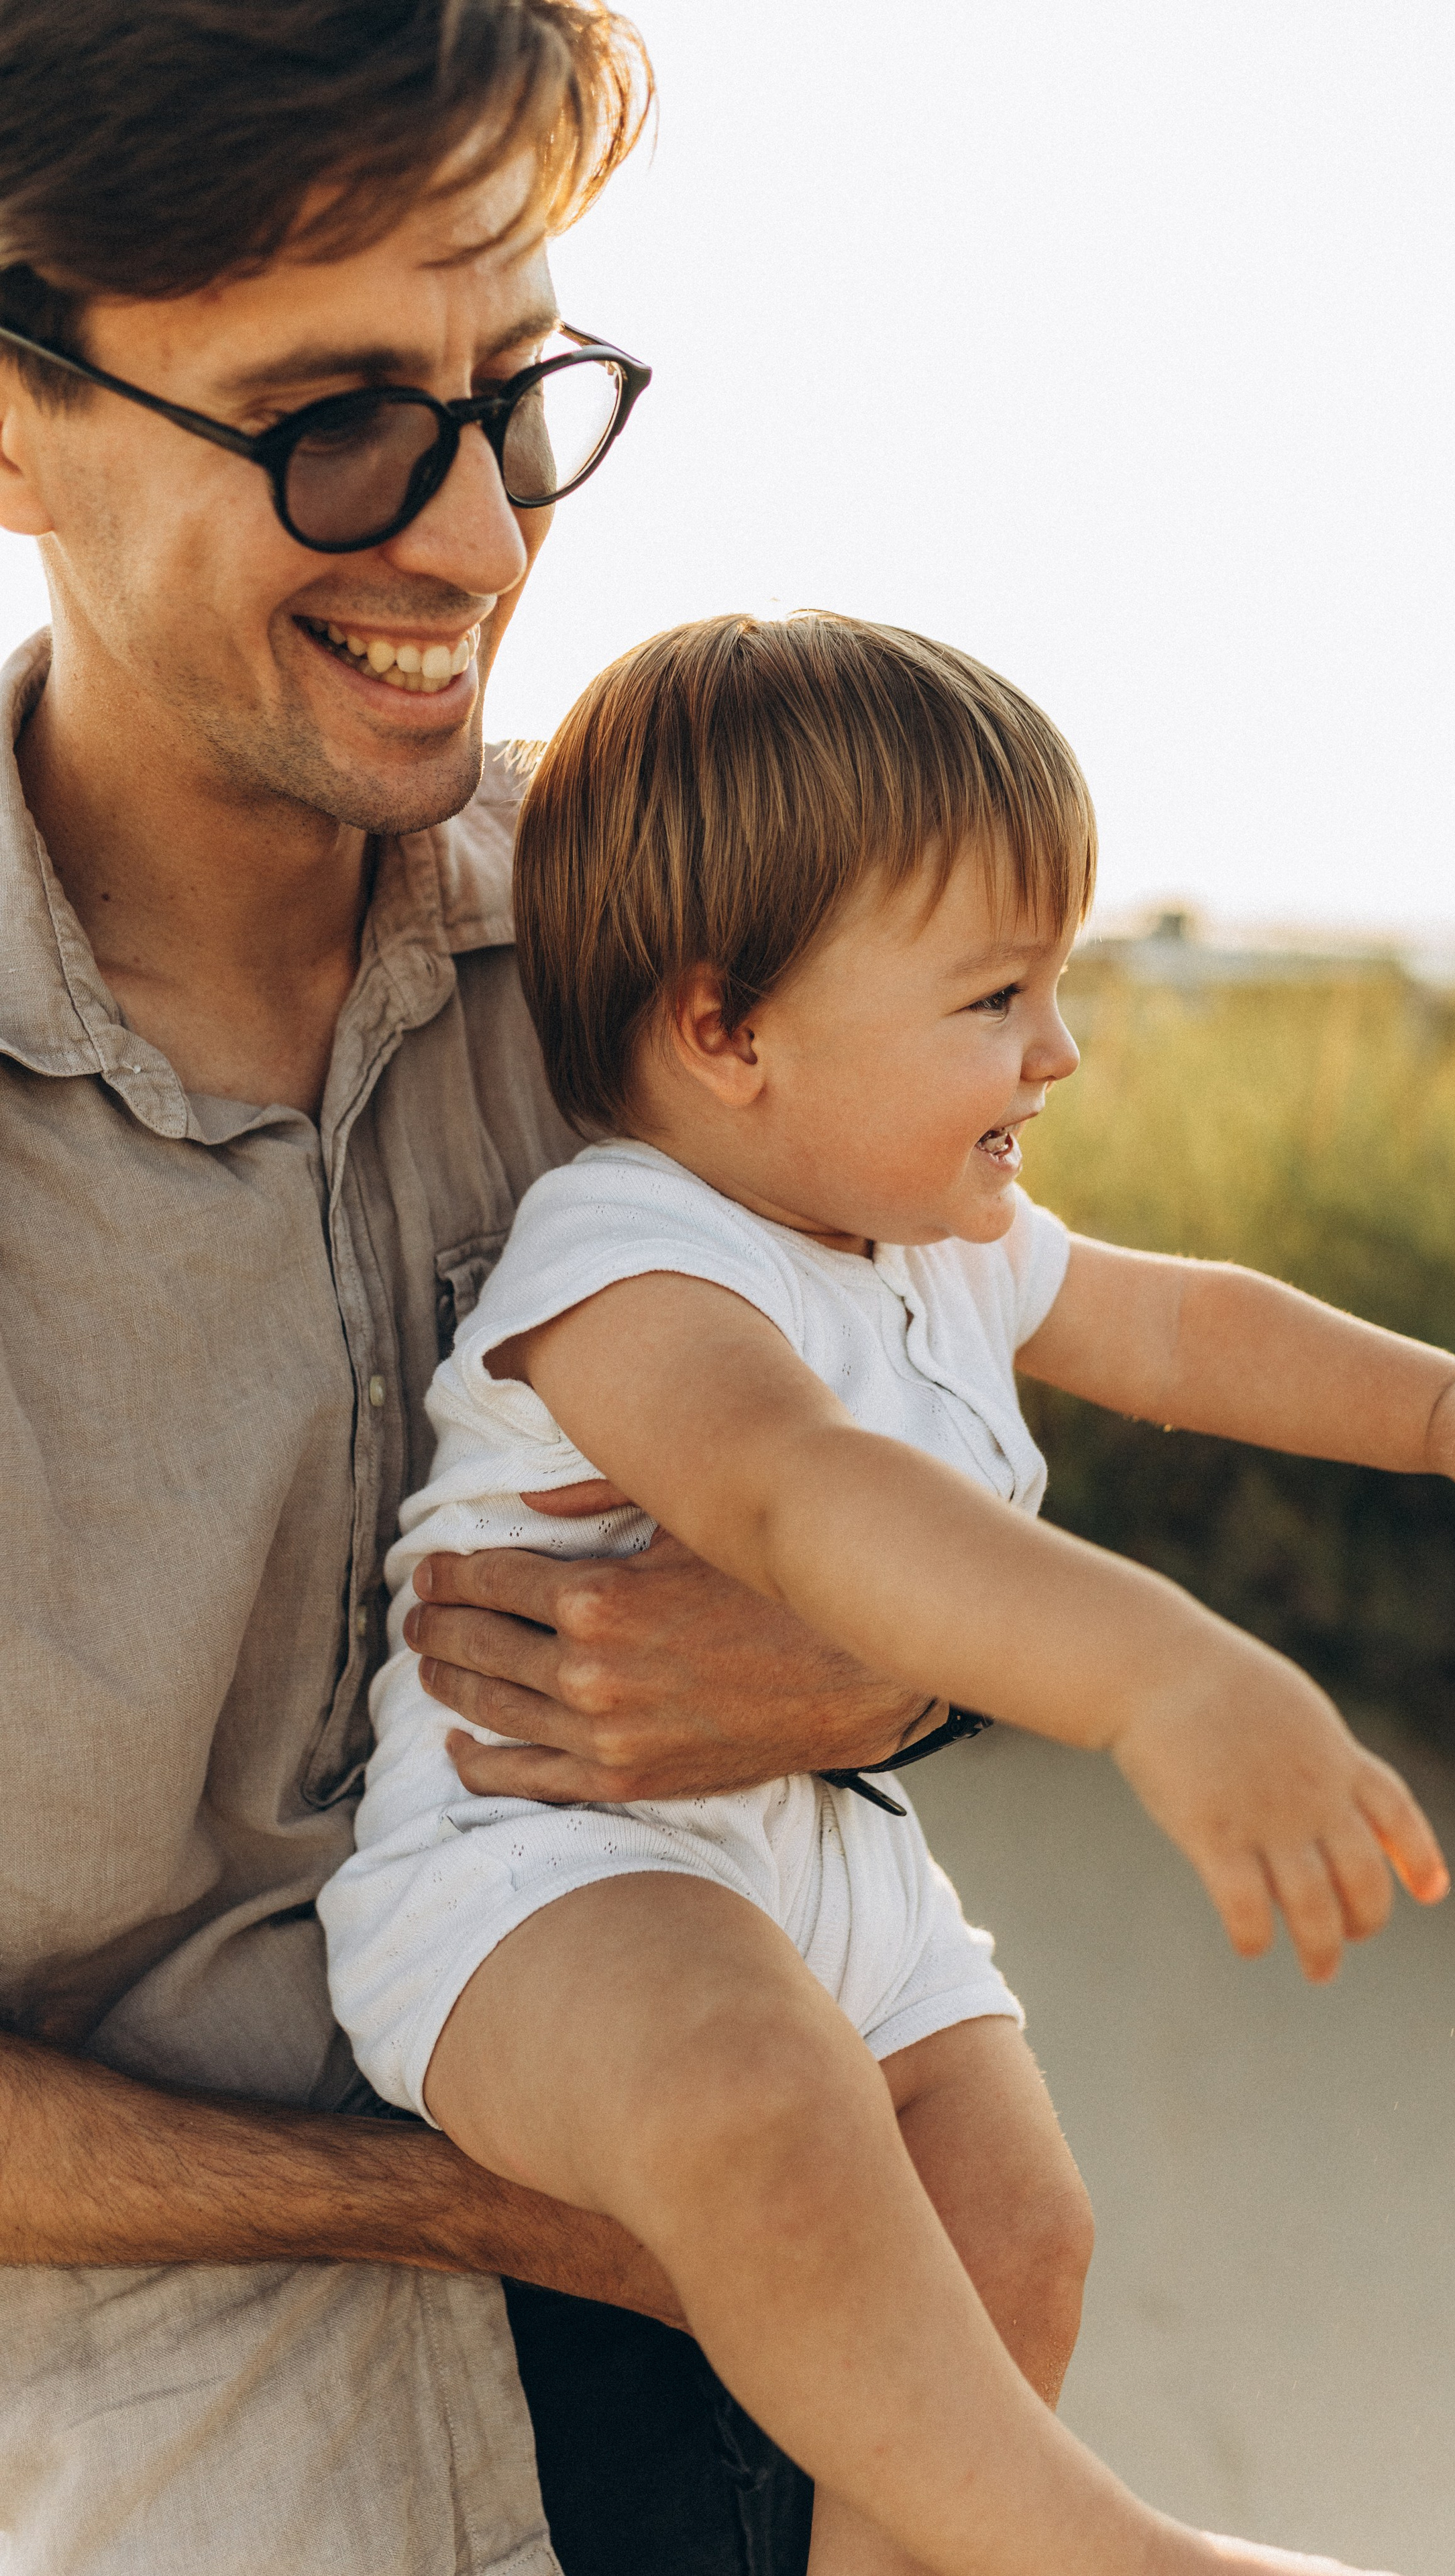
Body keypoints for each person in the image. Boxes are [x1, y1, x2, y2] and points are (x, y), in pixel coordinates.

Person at [319, 610, 1455, 2576]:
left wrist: (1448, 1406)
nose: (1060, 1048)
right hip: (540, 1887)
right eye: (993, 997)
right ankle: (1110, 2558)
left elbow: (1185, 1325)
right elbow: (804, 1501)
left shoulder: (944, 1236)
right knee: (754, 2091)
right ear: (728, 1031)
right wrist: (1159, 1676)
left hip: (825, 1871)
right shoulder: (627, 1267)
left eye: (1055, 983)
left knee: (1020, 2224)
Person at [0, 8, 945, 2572]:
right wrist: (474, 2211)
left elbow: (962, 1408)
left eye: (517, 399)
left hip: (754, 2433)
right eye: (334, 425)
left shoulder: (675, 974)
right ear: (14, 420)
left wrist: (889, 1673)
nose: (487, 546)